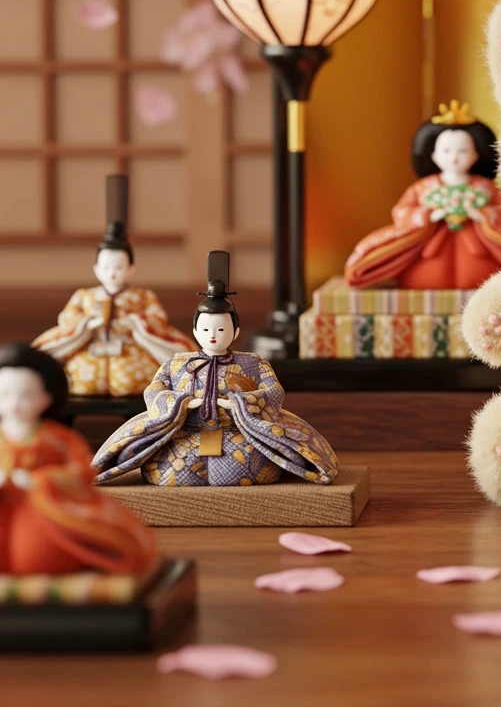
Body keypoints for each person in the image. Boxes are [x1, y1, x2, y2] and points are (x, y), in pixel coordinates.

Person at [92, 251, 339, 487]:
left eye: (220, 329)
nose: (213, 335)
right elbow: (154, 390)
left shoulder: (255, 363)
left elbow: (274, 391)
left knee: (251, 462)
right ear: (195, 331)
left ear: (236, 332)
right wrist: (181, 404)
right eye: (206, 329)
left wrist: (238, 404)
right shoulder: (175, 363)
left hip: (239, 432)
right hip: (185, 432)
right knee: (169, 465)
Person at [343, 100, 501, 290]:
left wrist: (483, 215)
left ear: (476, 154)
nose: (454, 157)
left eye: (462, 151)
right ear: (433, 155)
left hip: (478, 245)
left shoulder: (486, 188)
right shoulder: (423, 188)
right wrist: (428, 215)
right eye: (446, 151)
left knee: (488, 268)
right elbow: (402, 210)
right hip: (432, 242)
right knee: (429, 265)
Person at [0, 343, 155, 575]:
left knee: (34, 558)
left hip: (44, 510)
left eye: (26, 394)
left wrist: (41, 480)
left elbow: (82, 471)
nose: (14, 404)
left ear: (47, 397)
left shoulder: (59, 439)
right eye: (4, 394)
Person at [32, 174, 195, 396]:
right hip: (91, 346)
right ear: (96, 269)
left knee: (134, 381)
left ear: (131, 269)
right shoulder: (84, 295)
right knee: (78, 381)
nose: (112, 272)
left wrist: (137, 323)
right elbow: (67, 320)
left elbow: (158, 319)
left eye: (119, 267)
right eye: (106, 267)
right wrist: (86, 323)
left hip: (130, 349)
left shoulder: (143, 295)